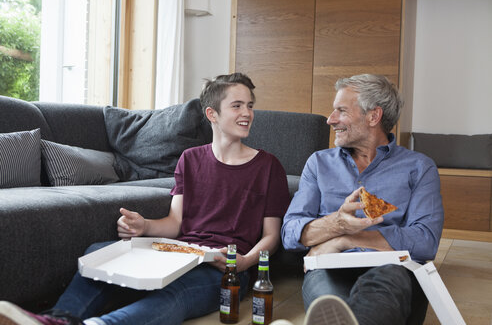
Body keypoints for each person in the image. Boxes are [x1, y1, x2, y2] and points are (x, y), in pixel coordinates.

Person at [0, 73, 290, 325]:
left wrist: (245, 262)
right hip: (183, 254)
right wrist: (144, 226)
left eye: (250, 105)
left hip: (226, 269)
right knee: (99, 252)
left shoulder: (268, 166)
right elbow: (176, 222)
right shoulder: (190, 159)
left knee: (173, 296)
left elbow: (271, 236)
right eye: (237, 105)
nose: (247, 113)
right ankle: (58, 318)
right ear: (212, 114)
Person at [281, 74, 444, 325]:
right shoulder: (319, 163)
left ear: (373, 116)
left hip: (391, 270)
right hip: (329, 267)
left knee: (384, 287)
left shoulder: (419, 168)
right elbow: (291, 232)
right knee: (331, 305)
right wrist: (337, 222)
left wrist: (345, 238)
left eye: (341, 111)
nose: (330, 119)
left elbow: (425, 241)